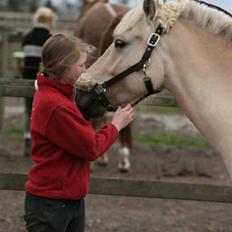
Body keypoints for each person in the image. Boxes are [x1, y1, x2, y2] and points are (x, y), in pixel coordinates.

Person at [24, 33, 134, 232]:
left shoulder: (57, 96)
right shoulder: (57, 105)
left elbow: (73, 137)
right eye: (82, 65)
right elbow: (92, 148)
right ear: (64, 65)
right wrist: (116, 125)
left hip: (64, 200)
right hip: (52, 206)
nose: (85, 70)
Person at [22, 7, 56, 156]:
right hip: (44, 83)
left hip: (27, 80)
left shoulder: (27, 38)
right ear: (49, 21)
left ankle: (27, 139)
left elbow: (24, 61)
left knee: (29, 111)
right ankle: (43, 144)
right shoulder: (51, 39)